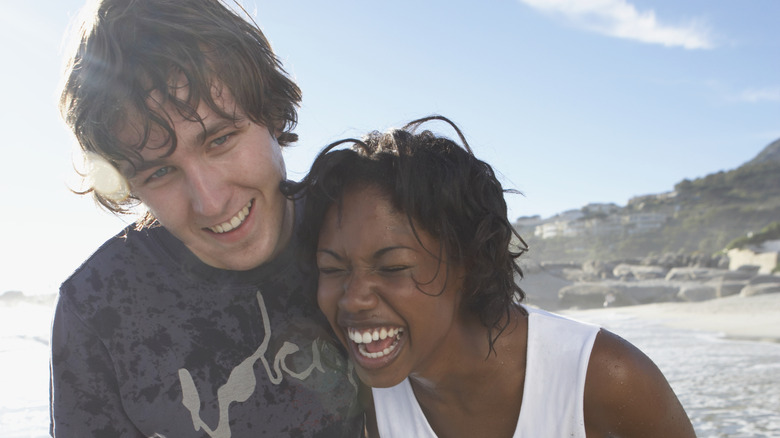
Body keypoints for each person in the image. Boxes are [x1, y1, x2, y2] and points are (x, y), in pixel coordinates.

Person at [50, 0, 363, 436]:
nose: (210, 202)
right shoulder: (99, 308)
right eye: (160, 171)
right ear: (129, 185)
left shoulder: (368, 234)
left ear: (270, 114)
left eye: (220, 140)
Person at [284, 115, 697, 437]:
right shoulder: (370, 397)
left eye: (393, 268)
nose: (353, 299)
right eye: (333, 269)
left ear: (470, 262)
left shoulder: (602, 377)